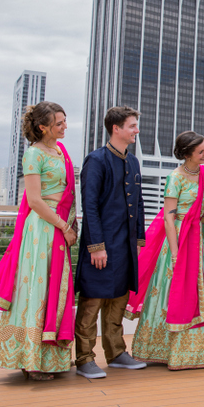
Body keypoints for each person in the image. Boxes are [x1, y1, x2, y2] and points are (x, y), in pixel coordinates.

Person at [0, 102, 78, 381]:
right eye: (59, 123)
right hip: (42, 230)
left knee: (56, 290)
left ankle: (52, 357)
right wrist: (63, 226)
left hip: (59, 226)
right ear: (42, 127)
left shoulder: (60, 151)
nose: (65, 126)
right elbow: (35, 201)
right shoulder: (34, 154)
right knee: (37, 289)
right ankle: (31, 359)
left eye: (65, 121)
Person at [125, 131, 204, 370]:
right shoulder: (175, 177)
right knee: (171, 290)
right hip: (180, 238)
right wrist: (175, 253)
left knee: (202, 293)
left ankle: (197, 352)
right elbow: (169, 216)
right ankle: (162, 349)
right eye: (200, 152)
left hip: (203, 240)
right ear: (186, 154)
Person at [75, 106, 147, 379]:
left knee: (119, 299)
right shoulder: (96, 160)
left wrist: (139, 239)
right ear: (116, 128)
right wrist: (96, 245)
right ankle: (84, 359)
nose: (136, 131)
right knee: (92, 302)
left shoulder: (133, 162)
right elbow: (89, 206)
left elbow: (138, 204)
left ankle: (116, 353)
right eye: (132, 126)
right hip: (102, 244)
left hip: (125, 244)